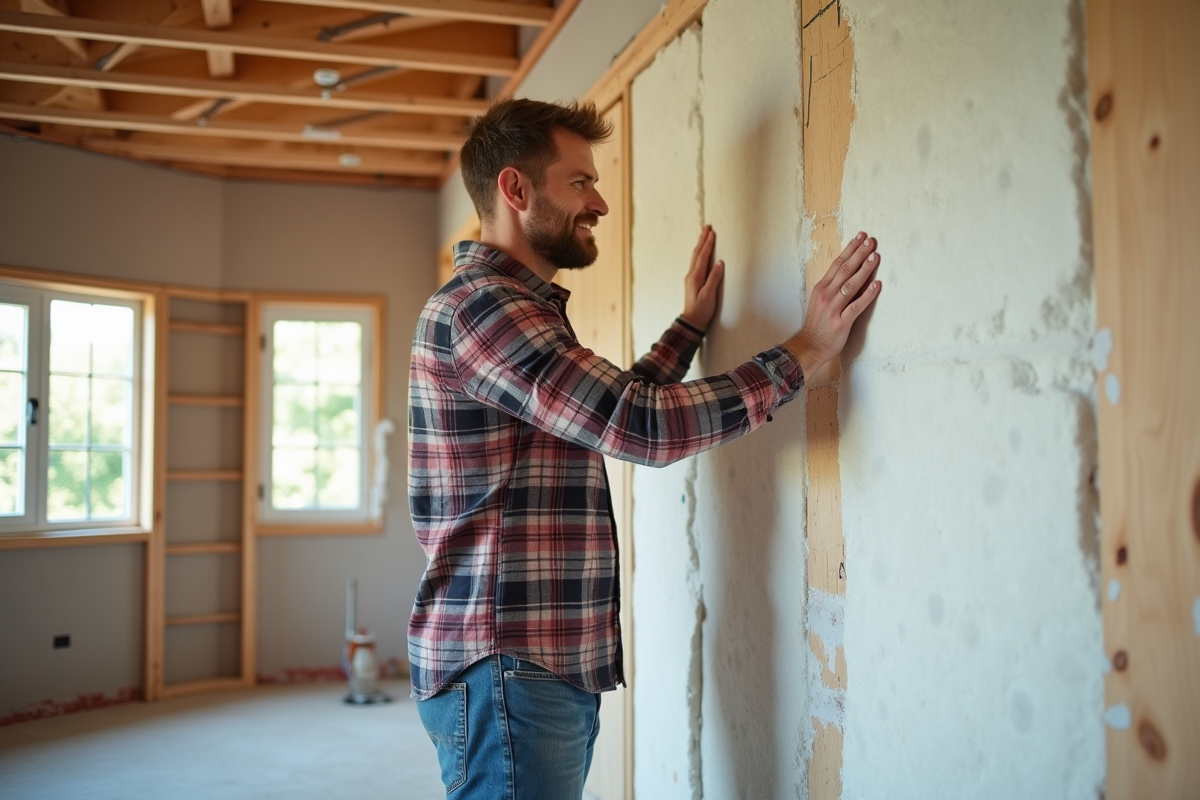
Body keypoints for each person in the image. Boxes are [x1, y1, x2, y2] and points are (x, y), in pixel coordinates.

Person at [407, 98, 881, 799]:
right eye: (578, 182)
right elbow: (643, 427)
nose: (598, 201)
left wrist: (688, 328)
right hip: (509, 667)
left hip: (525, 666)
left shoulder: (503, 309)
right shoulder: (487, 310)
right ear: (515, 189)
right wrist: (803, 351)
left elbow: (599, 413)